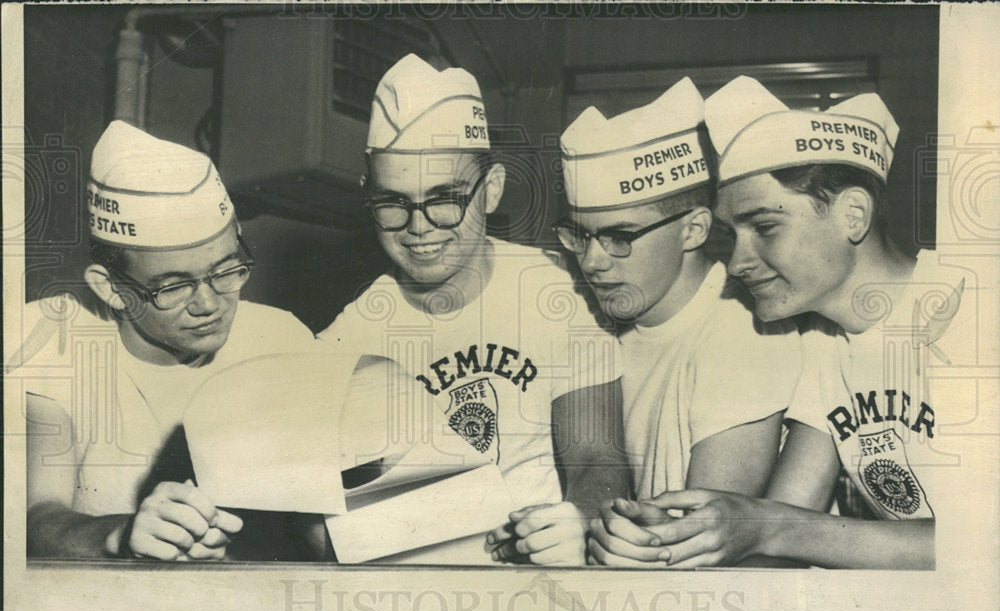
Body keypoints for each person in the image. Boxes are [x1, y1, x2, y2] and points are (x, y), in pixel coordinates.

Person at [599, 76, 964, 569]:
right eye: (734, 234)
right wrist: (683, 545)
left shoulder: (972, 309)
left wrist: (765, 525)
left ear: (853, 214)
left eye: (765, 227)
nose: (738, 262)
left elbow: (984, 542)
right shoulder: (822, 336)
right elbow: (788, 520)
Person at [318, 54, 628, 566]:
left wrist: (577, 518)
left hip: (539, 579)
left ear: (492, 190)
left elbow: (599, 459)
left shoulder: (554, 293)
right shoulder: (347, 336)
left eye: (445, 199)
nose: (419, 227)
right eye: (393, 203)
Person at [11, 121, 321, 560]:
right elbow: (36, 514)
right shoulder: (59, 337)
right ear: (111, 288)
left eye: (226, 270)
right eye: (173, 287)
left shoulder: (279, 338)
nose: (209, 304)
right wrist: (122, 534)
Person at [552, 78, 802, 568]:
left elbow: (698, 538)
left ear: (693, 229)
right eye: (579, 236)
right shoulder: (598, 315)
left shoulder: (744, 329)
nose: (593, 262)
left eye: (619, 236)